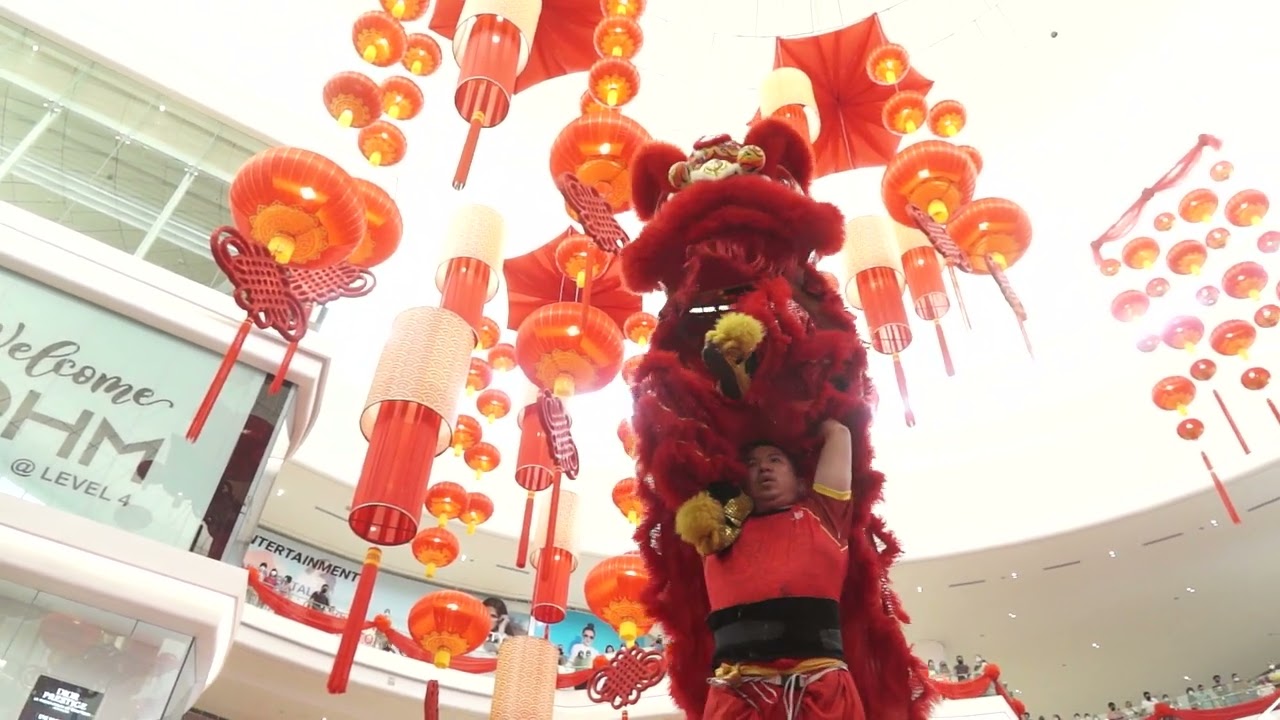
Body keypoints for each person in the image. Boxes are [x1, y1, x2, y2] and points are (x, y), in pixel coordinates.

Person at [696, 419, 857, 719]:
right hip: (738, 698)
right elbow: (683, 450)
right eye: (752, 463)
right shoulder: (711, 535)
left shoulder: (824, 515)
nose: (764, 468)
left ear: (800, 481)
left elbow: (838, 432)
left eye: (775, 460)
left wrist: (793, 416)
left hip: (823, 694)